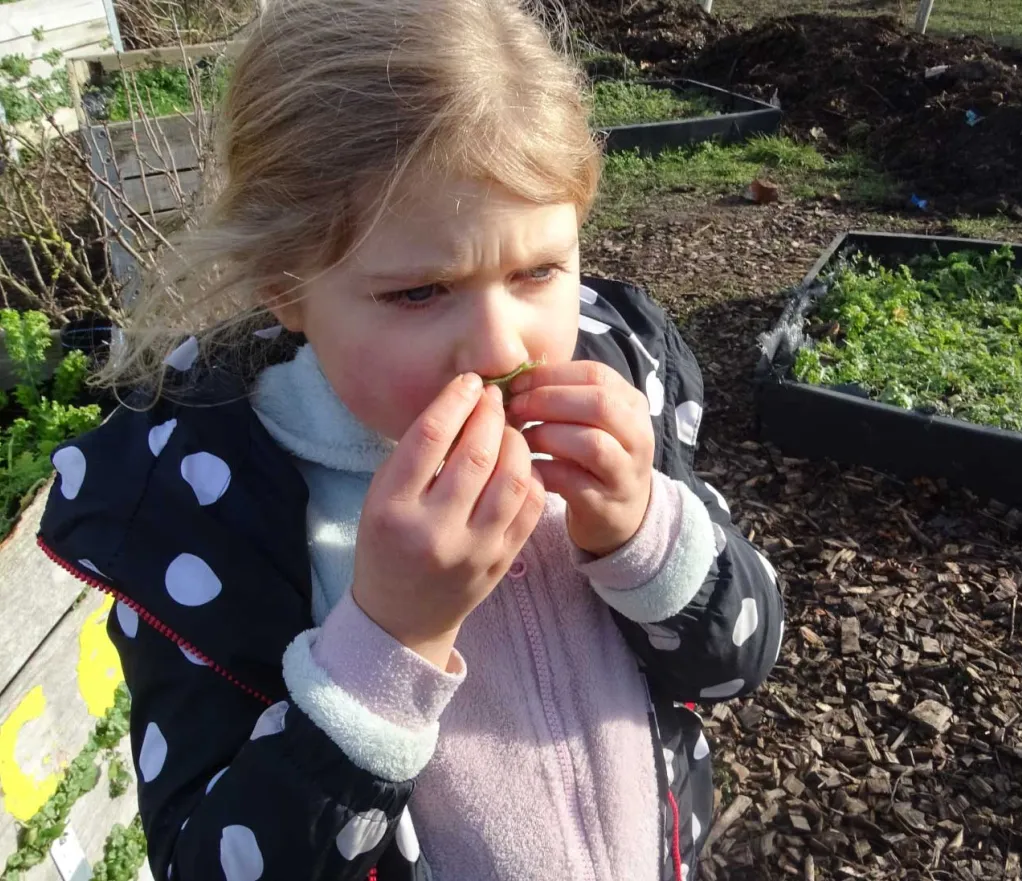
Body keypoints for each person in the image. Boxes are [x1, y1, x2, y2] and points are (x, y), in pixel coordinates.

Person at [37, 1, 785, 878]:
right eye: (421, 293)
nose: (503, 346)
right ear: (288, 284)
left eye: (538, 270)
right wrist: (391, 635)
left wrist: (641, 527)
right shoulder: (208, 503)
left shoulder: (618, 376)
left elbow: (740, 663)